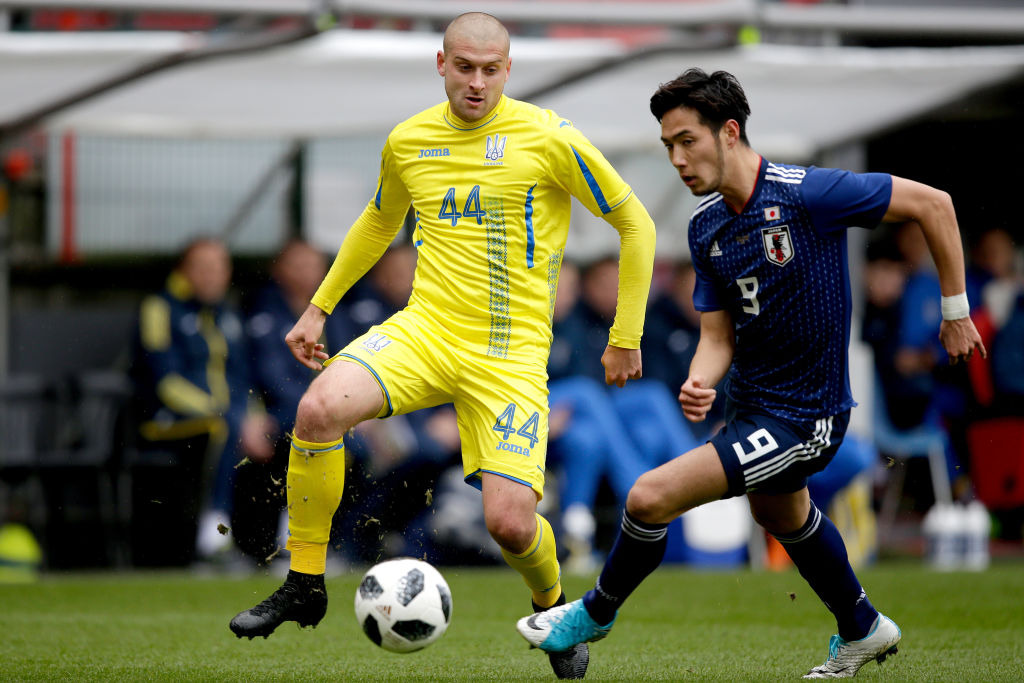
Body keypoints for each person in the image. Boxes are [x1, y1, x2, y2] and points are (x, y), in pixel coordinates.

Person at [517, 68, 985, 679]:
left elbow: (934, 204)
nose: (678, 159)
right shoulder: (706, 227)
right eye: (668, 147)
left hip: (807, 417)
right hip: (752, 408)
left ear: (729, 132)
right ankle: (864, 627)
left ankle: (593, 615)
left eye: (687, 141)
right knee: (780, 516)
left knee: (648, 496)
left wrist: (955, 311)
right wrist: (700, 378)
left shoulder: (809, 194)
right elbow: (718, 337)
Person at [228, 13, 656, 680]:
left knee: (511, 525)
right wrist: (318, 307)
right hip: (425, 330)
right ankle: (304, 582)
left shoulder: (548, 137)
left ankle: (556, 611)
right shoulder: (409, 140)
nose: (478, 82)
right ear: (442, 64)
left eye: (492, 69)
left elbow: (636, 222)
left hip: (509, 354)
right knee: (317, 410)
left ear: (508, 70)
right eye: (465, 67)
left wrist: (624, 334)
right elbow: (378, 221)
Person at [131, 237, 274, 563]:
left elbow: (244, 376)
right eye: (203, 267)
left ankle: (284, 542)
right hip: (166, 420)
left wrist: (255, 416)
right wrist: (230, 415)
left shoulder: (228, 313)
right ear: (184, 271)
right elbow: (165, 382)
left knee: (281, 427)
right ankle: (214, 538)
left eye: (220, 268)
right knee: (224, 426)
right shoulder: (160, 307)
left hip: (229, 418)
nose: (212, 276)